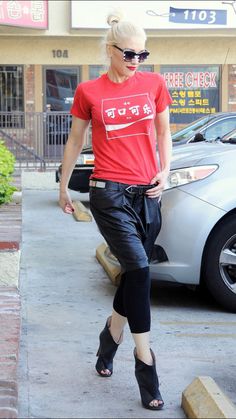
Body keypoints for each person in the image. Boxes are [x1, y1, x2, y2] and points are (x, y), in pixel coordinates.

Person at [59, 10, 172, 411]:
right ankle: (146, 362)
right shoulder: (90, 92)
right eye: (129, 53)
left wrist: (165, 171)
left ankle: (109, 338)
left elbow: (163, 131)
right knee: (139, 269)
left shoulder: (154, 84)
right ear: (110, 50)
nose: (135, 61)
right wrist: (62, 185)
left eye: (143, 54)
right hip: (109, 193)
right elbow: (74, 141)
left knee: (134, 272)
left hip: (148, 193)